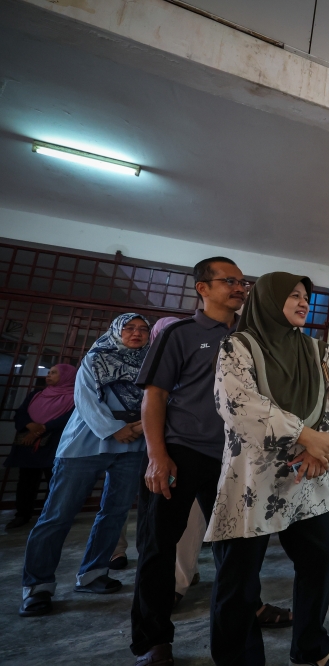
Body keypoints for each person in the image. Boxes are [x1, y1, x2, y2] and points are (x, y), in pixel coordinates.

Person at [208, 272, 329, 666]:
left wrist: (321, 446)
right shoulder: (238, 345)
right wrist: (305, 436)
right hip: (253, 478)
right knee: (238, 579)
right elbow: (238, 406)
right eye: (292, 295)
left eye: (306, 296)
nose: (303, 302)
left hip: (309, 476)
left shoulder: (317, 349)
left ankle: (310, 647)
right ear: (269, 300)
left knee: (319, 559)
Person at [130, 258, 250, 666]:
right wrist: (157, 456)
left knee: (238, 549)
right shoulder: (180, 334)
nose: (238, 287)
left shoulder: (249, 338)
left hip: (234, 460)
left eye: (241, 282)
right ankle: (154, 640)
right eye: (229, 281)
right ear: (203, 288)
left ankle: (246, 618)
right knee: (158, 548)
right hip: (181, 454)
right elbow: (155, 396)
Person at [19, 314, 150, 617]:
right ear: (116, 331)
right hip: (86, 444)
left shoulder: (150, 362)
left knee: (115, 512)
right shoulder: (95, 358)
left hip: (133, 444)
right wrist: (115, 429)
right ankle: (37, 587)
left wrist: (141, 427)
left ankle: (93, 574)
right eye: (129, 328)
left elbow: (156, 399)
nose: (136, 333)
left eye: (143, 329)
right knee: (58, 515)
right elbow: (86, 400)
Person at [111, 316, 183, 571]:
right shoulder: (136, 359)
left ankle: (178, 571)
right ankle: (115, 553)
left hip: (168, 443)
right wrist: (119, 428)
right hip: (125, 441)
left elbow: (176, 401)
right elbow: (152, 397)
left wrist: (142, 425)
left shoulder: (185, 360)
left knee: (163, 508)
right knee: (119, 502)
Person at [5, 364, 77, 531]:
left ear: (66, 376)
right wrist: (30, 425)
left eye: (53, 373)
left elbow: (70, 419)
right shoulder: (36, 395)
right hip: (29, 444)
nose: (48, 375)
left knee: (56, 482)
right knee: (26, 482)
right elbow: (21, 413)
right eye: (49, 372)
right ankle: (22, 514)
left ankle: (53, 516)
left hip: (55, 444)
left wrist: (44, 428)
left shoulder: (74, 397)